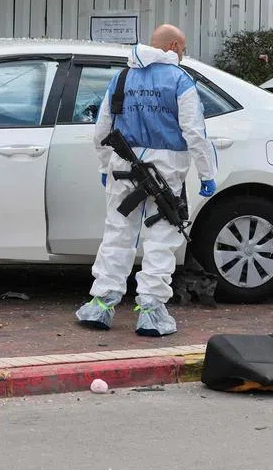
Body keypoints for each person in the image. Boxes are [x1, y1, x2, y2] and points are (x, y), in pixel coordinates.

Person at [75, 24, 218, 337]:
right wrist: (207, 174)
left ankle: (101, 305)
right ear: (175, 45)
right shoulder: (180, 80)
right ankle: (151, 313)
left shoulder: (122, 77)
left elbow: (102, 130)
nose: (183, 53)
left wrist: (104, 165)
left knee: (117, 235)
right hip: (167, 172)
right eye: (183, 48)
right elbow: (195, 133)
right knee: (161, 241)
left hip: (124, 167)